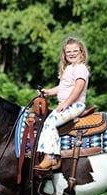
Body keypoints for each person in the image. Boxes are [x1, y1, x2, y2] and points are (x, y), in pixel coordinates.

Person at [34, 37, 90, 171]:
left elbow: (79, 87)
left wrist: (66, 103)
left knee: (50, 123)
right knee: (47, 122)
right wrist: (47, 92)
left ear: (81, 52)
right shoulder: (69, 68)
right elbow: (61, 88)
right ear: (64, 54)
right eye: (68, 51)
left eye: (75, 51)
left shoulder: (80, 68)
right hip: (68, 104)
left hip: (75, 105)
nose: (71, 53)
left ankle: (51, 157)